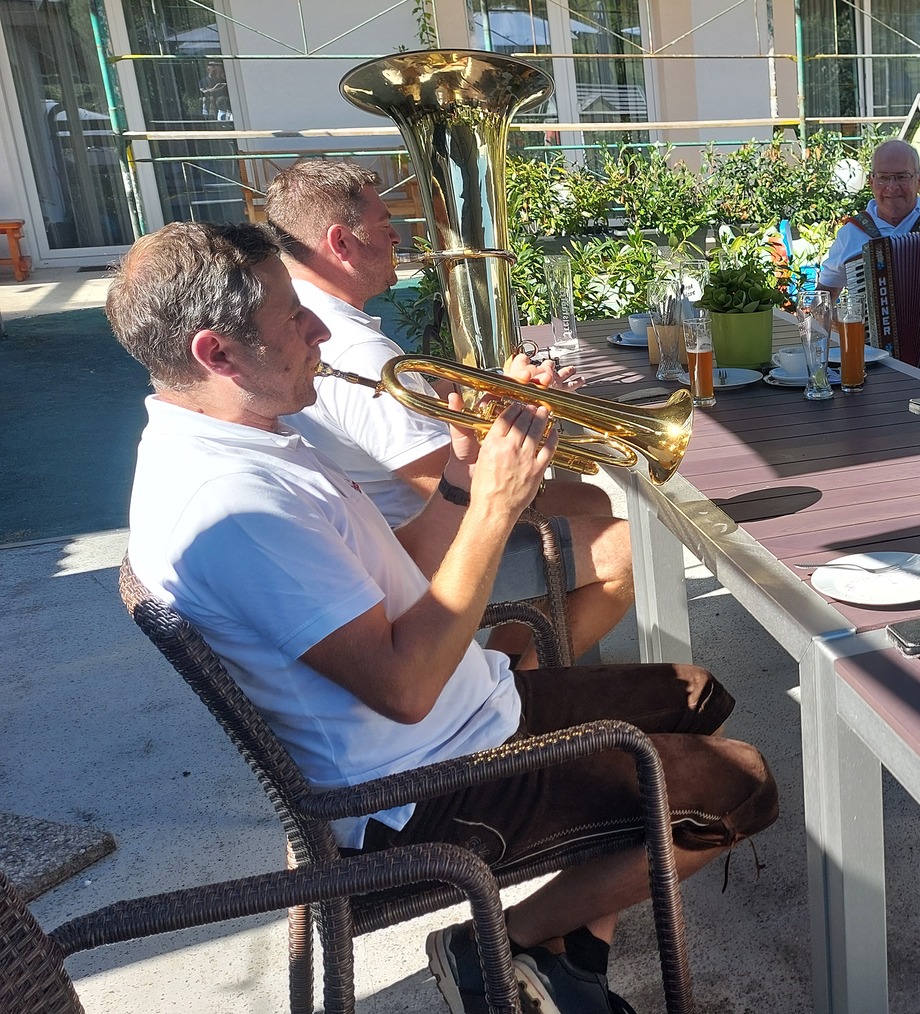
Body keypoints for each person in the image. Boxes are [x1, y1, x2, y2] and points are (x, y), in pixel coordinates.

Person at [111, 221, 778, 1014]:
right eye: (293, 316)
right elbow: (405, 689)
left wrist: (463, 477)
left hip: (463, 714)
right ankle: (494, 943)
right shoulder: (232, 504)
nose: (319, 328)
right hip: (417, 788)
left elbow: (395, 572)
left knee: (697, 696)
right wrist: (497, 507)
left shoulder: (246, 440)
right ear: (216, 353)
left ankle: (568, 955)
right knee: (742, 786)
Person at [265, 160, 633, 664]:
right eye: (383, 224)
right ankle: (522, 694)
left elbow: (394, 421)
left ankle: (514, 659)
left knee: (588, 500)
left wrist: (496, 392)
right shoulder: (352, 347)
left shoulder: (308, 321)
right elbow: (455, 486)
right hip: (419, 550)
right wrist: (522, 413)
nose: (397, 237)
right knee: (628, 550)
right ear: (341, 242)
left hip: (384, 531)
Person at [817, 139, 920, 298]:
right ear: (871, 182)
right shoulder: (852, 232)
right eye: (883, 177)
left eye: (902, 177)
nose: (892, 187)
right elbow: (824, 295)